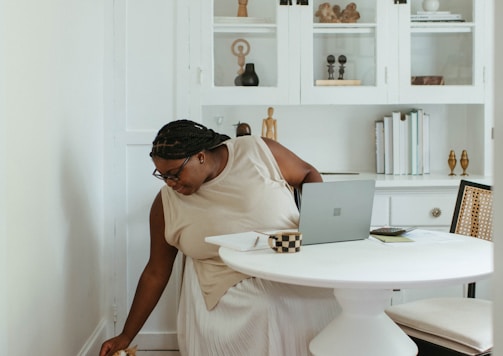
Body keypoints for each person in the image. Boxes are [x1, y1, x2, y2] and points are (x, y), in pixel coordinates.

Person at [99, 120, 339, 356]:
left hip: (292, 262)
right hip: (229, 281)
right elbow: (155, 272)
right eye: (163, 176)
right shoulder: (166, 205)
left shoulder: (258, 151)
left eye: (174, 174)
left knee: (343, 296)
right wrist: (126, 335)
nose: (170, 184)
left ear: (200, 157)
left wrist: (317, 226)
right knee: (269, 307)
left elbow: (308, 173)